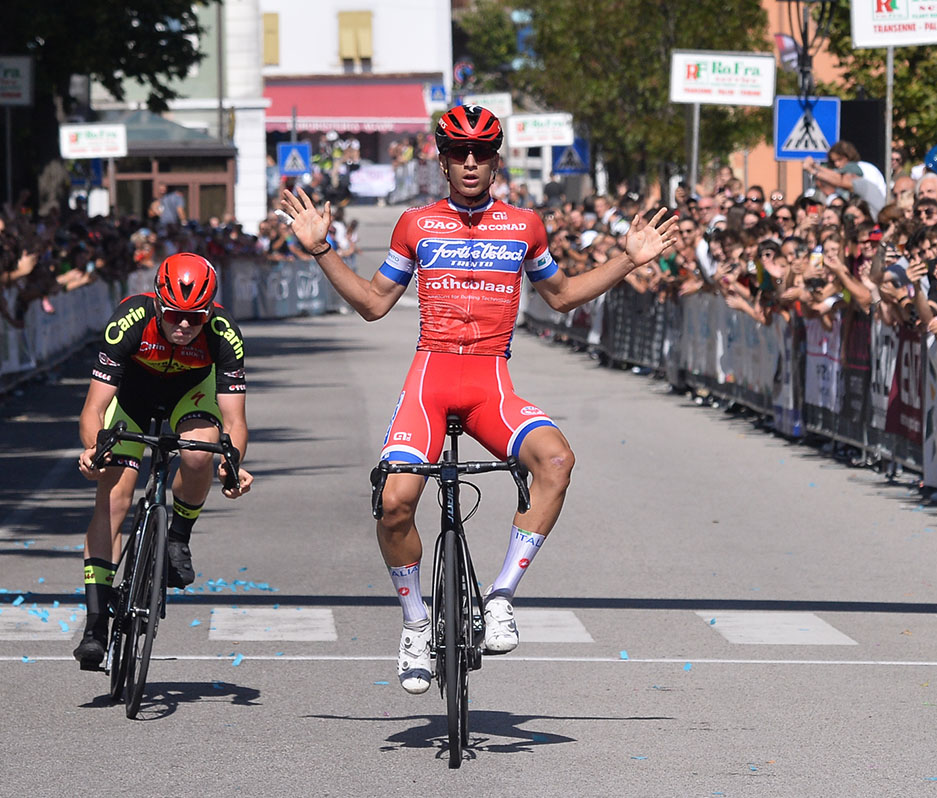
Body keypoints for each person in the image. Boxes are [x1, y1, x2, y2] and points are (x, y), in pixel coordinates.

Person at [279, 104, 677, 694]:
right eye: (459, 153)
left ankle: (499, 598)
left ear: (495, 162)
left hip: (491, 384)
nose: (470, 163)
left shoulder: (525, 225)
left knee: (557, 460)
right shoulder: (414, 225)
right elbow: (371, 303)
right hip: (430, 381)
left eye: (482, 153)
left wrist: (626, 259)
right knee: (395, 502)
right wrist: (321, 249)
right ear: (441, 161)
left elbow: (562, 296)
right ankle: (416, 622)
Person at [71, 253, 254, 670]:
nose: (185, 326)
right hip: (132, 397)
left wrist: (231, 464)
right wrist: (92, 451)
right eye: (174, 316)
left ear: (210, 311)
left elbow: (235, 420)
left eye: (196, 317)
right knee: (114, 498)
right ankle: (96, 624)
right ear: (157, 303)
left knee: (198, 452)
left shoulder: (225, 334)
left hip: (190, 396)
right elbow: (93, 411)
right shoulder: (130, 320)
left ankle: (178, 537)